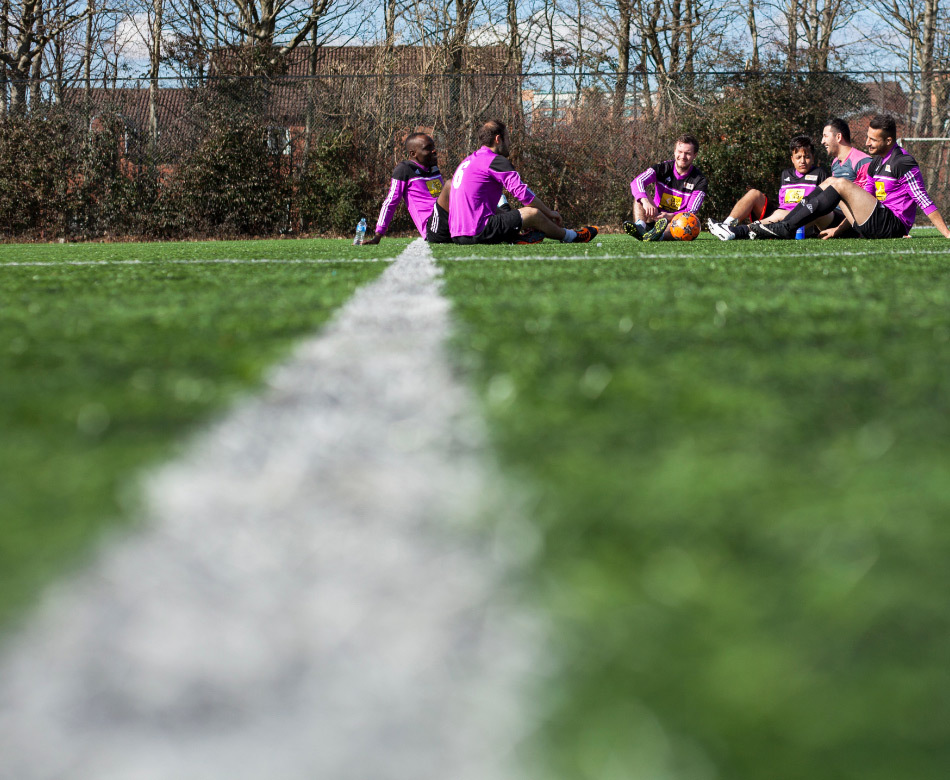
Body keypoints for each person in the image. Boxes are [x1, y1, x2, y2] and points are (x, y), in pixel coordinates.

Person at [749, 114, 950, 240]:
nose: (867, 143)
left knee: (840, 183)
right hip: (872, 223)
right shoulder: (877, 163)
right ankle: (780, 226)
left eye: (873, 139)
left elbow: (922, 199)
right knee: (831, 183)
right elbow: (861, 202)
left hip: (893, 226)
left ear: (889, 140)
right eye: (867, 137)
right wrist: (837, 230)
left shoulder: (903, 162)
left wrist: (947, 234)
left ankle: (785, 227)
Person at [449, 119, 597, 244]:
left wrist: (515, 220)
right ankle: (572, 236)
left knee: (513, 215)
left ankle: (516, 237)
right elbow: (523, 194)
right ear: (498, 139)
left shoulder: (468, 160)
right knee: (533, 214)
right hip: (477, 231)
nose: (510, 143)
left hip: (457, 234)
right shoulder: (495, 161)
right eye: (508, 138)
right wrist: (550, 213)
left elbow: (477, 206)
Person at [707, 135, 831, 240]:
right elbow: (783, 202)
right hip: (779, 215)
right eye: (798, 157)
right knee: (753, 193)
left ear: (813, 158)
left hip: (802, 220)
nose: (802, 161)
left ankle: (740, 230)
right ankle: (726, 225)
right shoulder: (786, 174)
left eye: (807, 156)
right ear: (792, 159)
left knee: (782, 214)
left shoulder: (820, 173)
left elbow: (822, 204)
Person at [362, 132, 451, 245]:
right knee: (450, 185)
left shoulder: (433, 167)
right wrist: (377, 236)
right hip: (433, 228)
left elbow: (437, 196)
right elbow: (390, 202)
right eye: (428, 148)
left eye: (433, 147)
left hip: (447, 220)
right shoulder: (404, 169)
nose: (433, 151)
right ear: (413, 153)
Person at [624, 134, 708, 241]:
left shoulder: (700, 180)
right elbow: (637, 181)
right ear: (674, 152)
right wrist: (645, 201)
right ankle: (640, 227)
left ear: (695, 155)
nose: (682, 156)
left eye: (687, 153)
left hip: (675, 221)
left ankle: (659, 236)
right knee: (640, 196)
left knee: (688, 221)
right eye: (680, 152)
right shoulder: (662, 168)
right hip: (655, 215)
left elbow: (692, 210)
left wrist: (670, 216)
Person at [822, 117, 872, 186]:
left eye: (825, 136)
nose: (822, 141)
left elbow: (869, 193)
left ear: (838, 137)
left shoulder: (863, 162)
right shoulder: (835, 162)